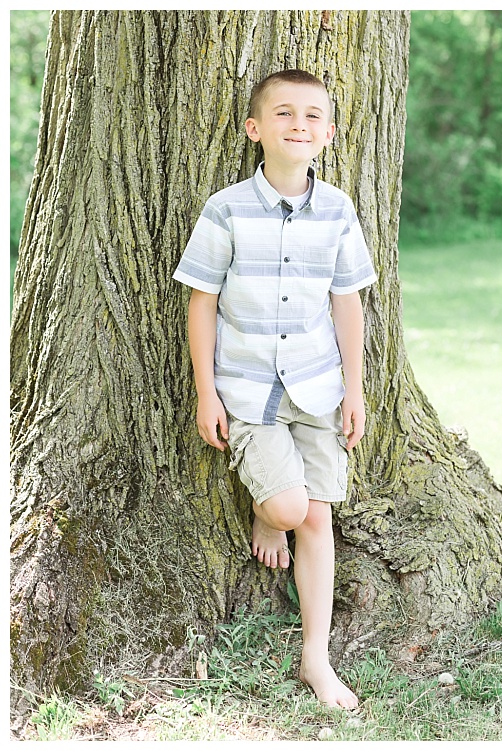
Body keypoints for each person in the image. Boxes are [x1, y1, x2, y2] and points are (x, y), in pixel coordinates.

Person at [173, 69, 377, 710]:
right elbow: (201, 301)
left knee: (320, 517)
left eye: (313, 115)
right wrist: (207, 392)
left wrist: (356, 391)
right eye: (284, 113)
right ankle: (267, 512)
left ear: (330, 133)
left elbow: (348, 305)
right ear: (255, 130)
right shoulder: (227, 208)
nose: (300, 124)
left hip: (319, 384)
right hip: (249, 386)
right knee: (290, 510)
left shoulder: (339, 210)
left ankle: (315, 655)